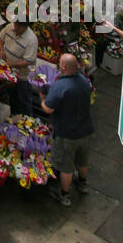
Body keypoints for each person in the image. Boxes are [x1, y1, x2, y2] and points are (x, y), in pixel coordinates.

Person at [40, 52, 94, 207]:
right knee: (82, 160)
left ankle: (64, 194)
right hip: (86, 130)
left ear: (63, 67)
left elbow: (48, 109)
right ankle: (83, 184)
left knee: (66, 166)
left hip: (67, 134)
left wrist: (43, 98)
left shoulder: (60, 86)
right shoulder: (84, 81)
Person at [0, 16, 38, 116]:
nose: (15, 28)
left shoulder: (31, 40)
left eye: (18, 27)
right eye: (15, 24)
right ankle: (14, 119)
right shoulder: (10, 27)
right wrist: (1, 49)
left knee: (24, 101)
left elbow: (28, 61)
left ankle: (27, 123)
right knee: (11, 98)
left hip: (23, 77)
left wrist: (11, 64)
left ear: (25, 27)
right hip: (9, 72)